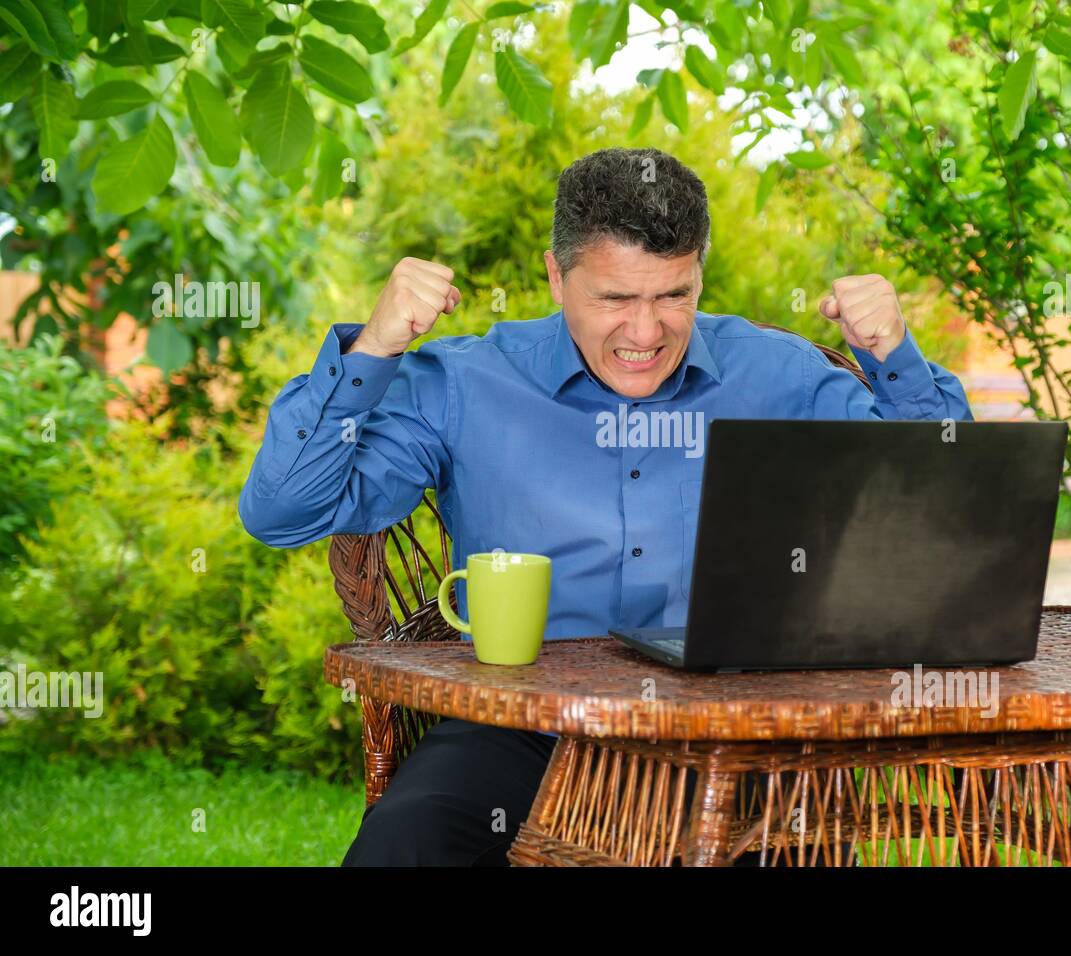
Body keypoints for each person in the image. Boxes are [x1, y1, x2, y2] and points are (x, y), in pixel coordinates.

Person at [238, 146, 973, 865]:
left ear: (699, 276)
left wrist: (894, 359)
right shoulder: (466, 383)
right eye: (616, 298)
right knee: (410, 841)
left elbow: (946, 513)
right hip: (520, 728)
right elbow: (284, 511)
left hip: (738, 732)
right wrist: (372, 350)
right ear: (558, 278)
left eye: (673, 295)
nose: (646, 334)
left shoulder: (779, 377)